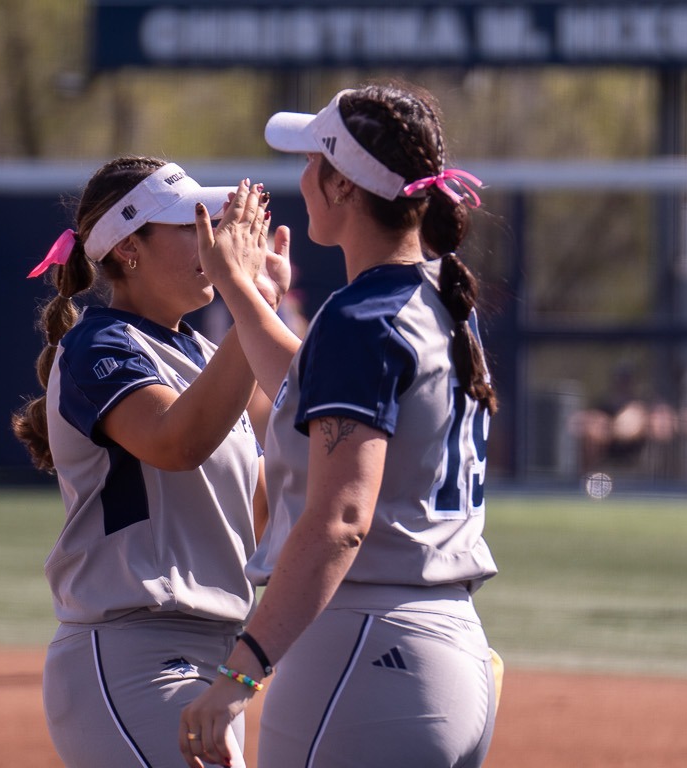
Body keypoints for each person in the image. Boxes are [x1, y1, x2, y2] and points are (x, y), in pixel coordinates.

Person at [180, 83, 501, 768]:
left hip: (367, 650)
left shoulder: (362, 318)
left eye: (311, 162)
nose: (302, 178)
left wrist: (239, 674)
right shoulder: (438, 297)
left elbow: (341, 520)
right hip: (450, 649)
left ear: (343, 186)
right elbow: (311, 395)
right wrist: (239, 290)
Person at [13, 156, 288, 767]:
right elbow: (176, 443)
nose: (213, 241)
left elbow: (262, 511)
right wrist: (251, 305)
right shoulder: (97, 345)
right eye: (191, 226)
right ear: (129, 247)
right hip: (135, 653)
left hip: (216, 658)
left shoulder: (205, 351)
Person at [570, 362, 677, 476]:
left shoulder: (642, 408)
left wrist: (642, 426)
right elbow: (588, 430)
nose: (623, 384)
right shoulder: (602, 407)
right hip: (606, 467)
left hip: (636, 469)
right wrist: (613, 429)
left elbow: (662, 430)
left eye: (626, 380)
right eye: (620, 380)